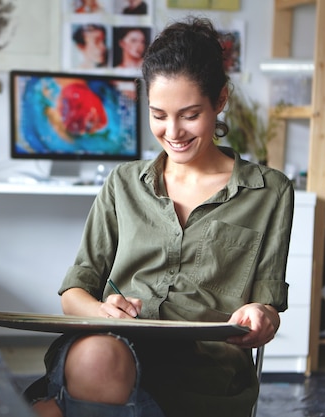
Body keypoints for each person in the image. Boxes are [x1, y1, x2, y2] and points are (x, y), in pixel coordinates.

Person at [25, 16, 294, 417]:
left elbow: (266, 308)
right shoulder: (123, 183)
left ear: (219, 100)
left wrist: (260, 316)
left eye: (189, 115)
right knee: (98, 358)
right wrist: (103, 310)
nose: (173, 132)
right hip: (113, 350)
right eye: (158, 114)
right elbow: (73, 295)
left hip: (205, 371)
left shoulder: (269, 191)